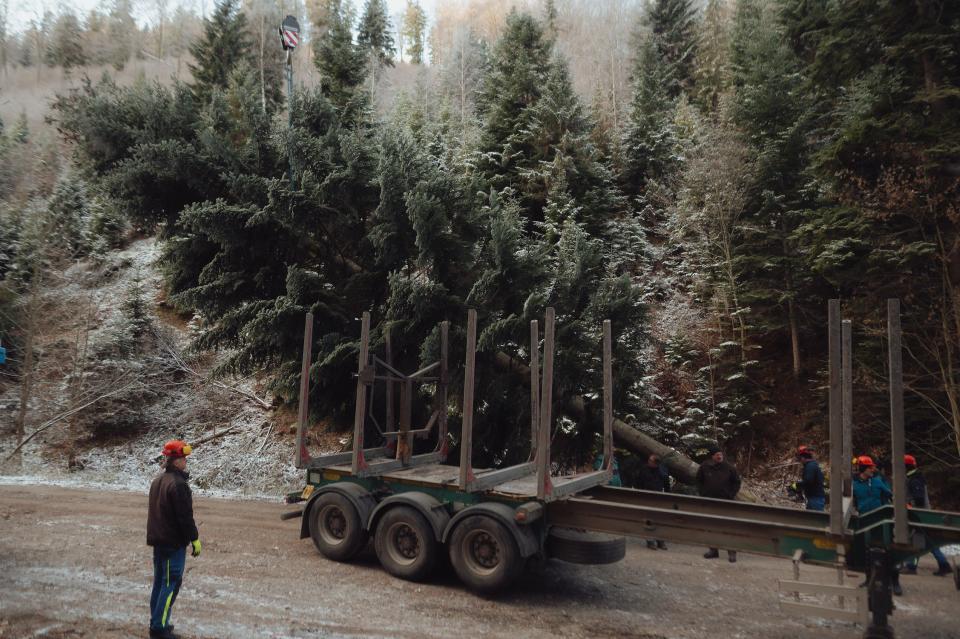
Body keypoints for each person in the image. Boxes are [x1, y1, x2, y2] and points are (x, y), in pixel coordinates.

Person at [148, 440, 201, 639]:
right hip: (172, 544)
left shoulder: (158, 480)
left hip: (160, 542)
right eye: (183, 458)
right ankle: (158, 629)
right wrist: (194, 539)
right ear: (175, 460)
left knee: (160, 584)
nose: (185, 461)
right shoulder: (178, 484)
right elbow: (185, 517)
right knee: (170, 584)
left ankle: (158, 622)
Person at [852, 455, 903, 595]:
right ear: (863, 469)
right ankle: (869, 579)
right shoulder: (854, 484)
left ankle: (895, 582)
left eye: (873, 467)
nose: (873, 469)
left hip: (881, 521)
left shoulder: (877, 481)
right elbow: (851, 500)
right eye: (870, 467)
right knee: (868, 552)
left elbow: (891, 494)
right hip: (864, 520)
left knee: (888, 550)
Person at [902, 454, 952, 576]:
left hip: (919, 515)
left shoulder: (914, 480)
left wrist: (909, 505)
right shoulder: (915, 477)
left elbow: (919, 499)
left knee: (917, 540)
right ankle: (943, 564)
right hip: (921, 514)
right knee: (929, 541)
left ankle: (911, 566)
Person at [696, 444, 742, 562]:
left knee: (728, 527)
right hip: (710, 501)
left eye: (721, 454)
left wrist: (730, 494)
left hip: (726, 502)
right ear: (712, 456)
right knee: (711, 527)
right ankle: (713, 550)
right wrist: (703, 493)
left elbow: (737, 482)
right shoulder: (704, 467)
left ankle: (731, 552)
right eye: (717, 455)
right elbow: (698, 481)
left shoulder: (729, 467)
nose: (720, 456)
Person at [638, 453, 670, 549]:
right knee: (648, 520)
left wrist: (668, 497)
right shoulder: (644, 469)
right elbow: (638, 482)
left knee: (659, 520)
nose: (648, 462)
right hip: (646, 497)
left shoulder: (662, 470)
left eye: (650, 461)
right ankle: (650, 541)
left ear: (655, 463)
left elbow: (667, 485)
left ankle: (661, 541)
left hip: (659, 498)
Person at [792, 445, 826, 511]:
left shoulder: (810, 466)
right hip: (814, 498)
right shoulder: (812, 465)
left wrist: (796, 485)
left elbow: (808, 481)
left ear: (803, 458)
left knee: (815, 520)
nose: (800, 461)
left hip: (815, 499)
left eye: (800, 458)